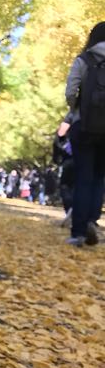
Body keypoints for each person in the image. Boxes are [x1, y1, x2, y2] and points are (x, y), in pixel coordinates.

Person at [60, 21, 105, 246]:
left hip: (84, 125)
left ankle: (78, 232)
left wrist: (76, 109)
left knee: (83, 177)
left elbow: (70, 91)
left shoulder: (84, 59)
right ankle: (92, 221)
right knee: (99, 178)